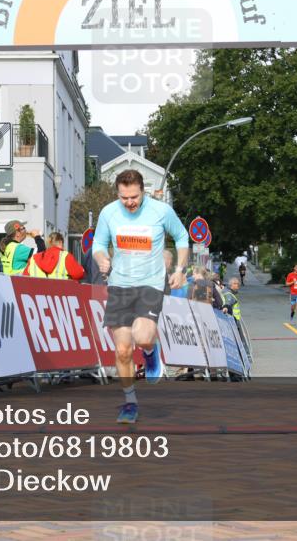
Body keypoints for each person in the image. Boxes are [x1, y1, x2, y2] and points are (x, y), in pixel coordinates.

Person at [92, 169, 189, 424]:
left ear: (142, 191)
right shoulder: (109, 213)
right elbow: (99, 245)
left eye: (134, 197)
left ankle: (150, 350)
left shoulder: (161, 211)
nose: (130, 203)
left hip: (150, 284)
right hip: (119, 285)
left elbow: (181, 236)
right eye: (124, 198)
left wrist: (179, 269)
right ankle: (130, 402)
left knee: (143, 337)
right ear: (118, 194)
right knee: (123, 350)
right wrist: (102, 259)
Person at [285, 263, 297, 328]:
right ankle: (292, 313)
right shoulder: (290, 275)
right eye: (296, 268)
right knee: (293, 307)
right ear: (294, 268)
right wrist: (293, 282)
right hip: (293, 293)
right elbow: (287, 284)